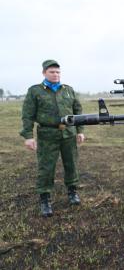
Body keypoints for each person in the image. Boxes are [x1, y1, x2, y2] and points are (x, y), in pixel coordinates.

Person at [20, 60, 85, 217]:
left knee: (71, 164)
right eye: (52, 72)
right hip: (47, 135)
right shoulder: (35, 91)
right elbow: (27, 114)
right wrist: (28, 136)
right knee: (46, 167)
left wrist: (80, 130)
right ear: (44, 73)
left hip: (68, 134)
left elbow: (78, 110)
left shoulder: (68, 90)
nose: (56, 75)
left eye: (58, 72)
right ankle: (45, 199)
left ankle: (72, 192)